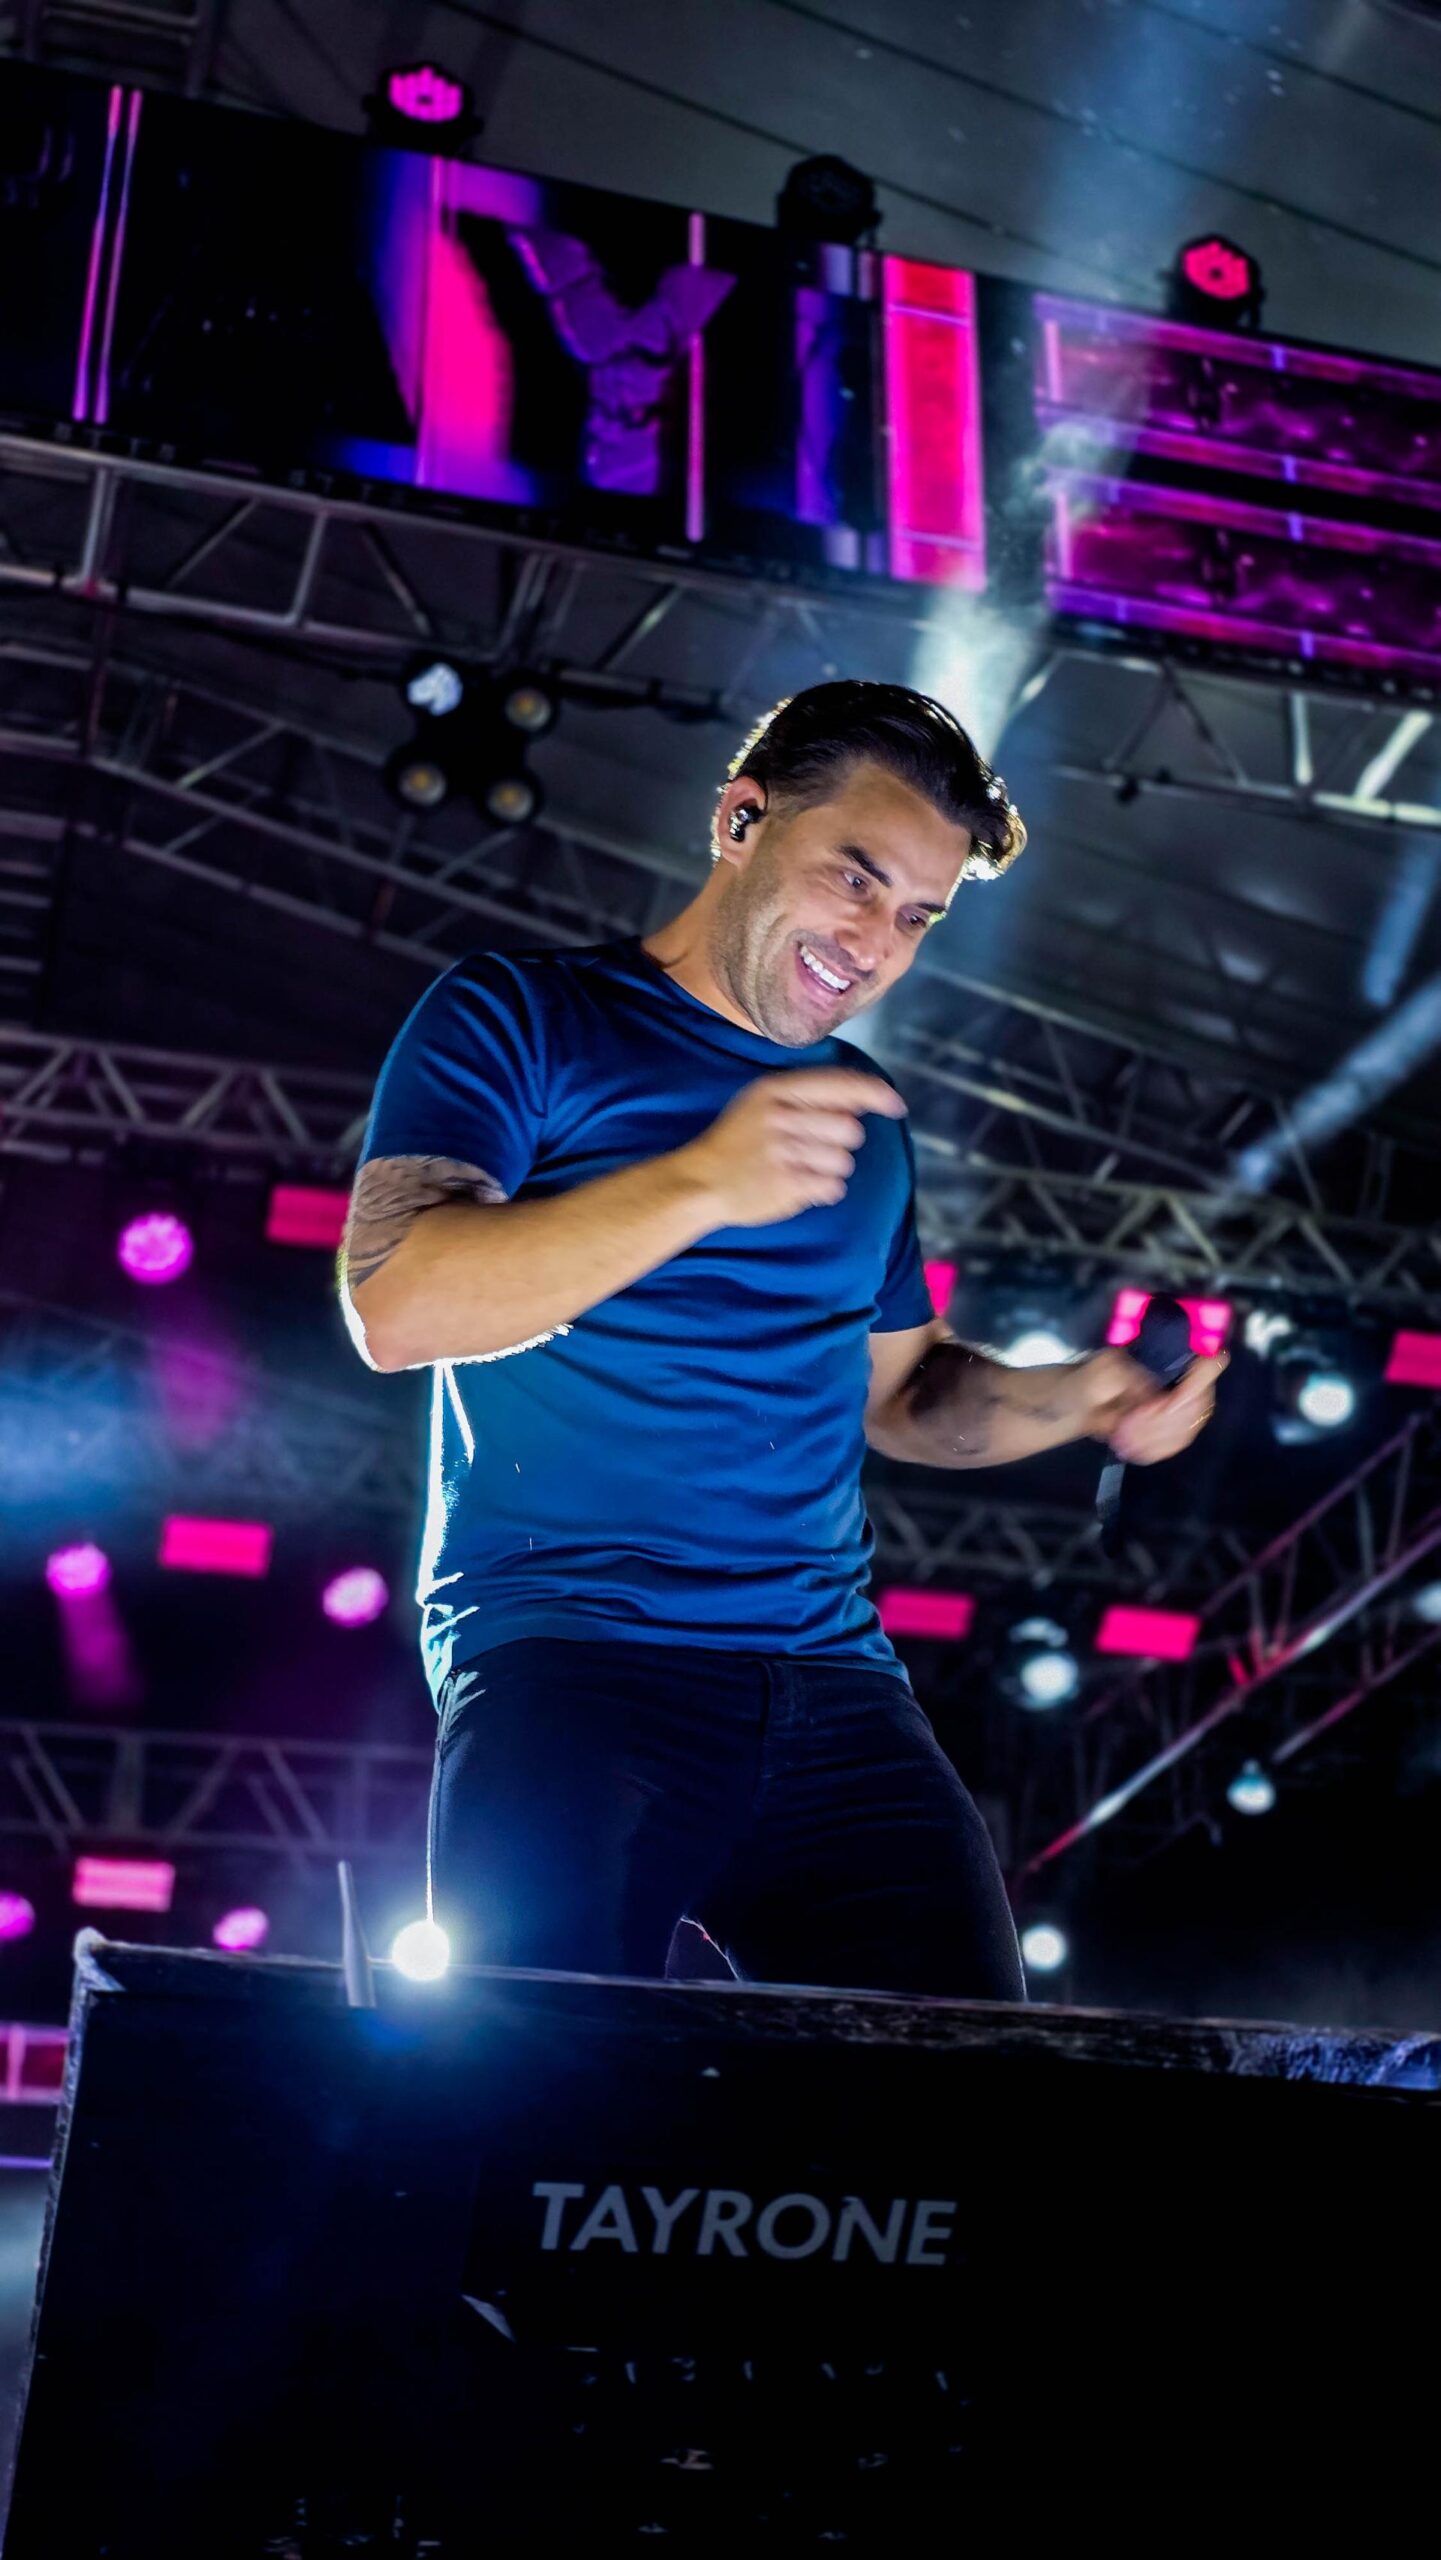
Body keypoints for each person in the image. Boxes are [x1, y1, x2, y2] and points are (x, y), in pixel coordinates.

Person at [339, 681, 1222, 2002]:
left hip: (832, 1684)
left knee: (975, 2083)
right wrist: (700, 1181)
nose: (874, 943)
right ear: (740, 819)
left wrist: (1078, 1399)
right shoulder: (520, 1015)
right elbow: (399, 1302)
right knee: (539, 2089)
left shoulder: (864, 1122)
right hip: (568, 1660)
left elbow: (903, 1393)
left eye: (914, 916)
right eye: (854, 880)